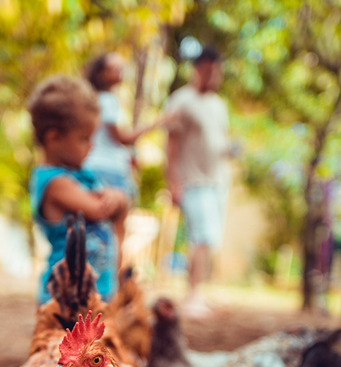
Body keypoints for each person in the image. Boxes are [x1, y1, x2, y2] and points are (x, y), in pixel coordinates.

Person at [26, 75, 129, 304]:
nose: (91, 146)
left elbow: (116, 209)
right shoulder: (53, 182)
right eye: (84, 139)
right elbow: (99, 209)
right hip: (65, 298)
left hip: (99, 290)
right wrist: (118, 199)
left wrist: (119, 199)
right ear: (53, 138)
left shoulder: (85, 176)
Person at [165, 45, 230, 318]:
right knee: (200, 237)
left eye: (217, 71)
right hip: (192, 180)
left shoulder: (218, 105)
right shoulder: (182, 101)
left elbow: (219, 142)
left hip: (216, 182)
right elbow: (171, 144)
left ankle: (198, 292)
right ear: (198, 69)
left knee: (208, 239)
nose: (214, 76)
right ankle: (192, 296)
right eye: (209, 70)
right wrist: (173, 182)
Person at [82, 52, 158, 207]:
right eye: (113, 69)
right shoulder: (107, 100)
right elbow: (121, 138)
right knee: (115, 213)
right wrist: (156, 123)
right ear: (101, 73)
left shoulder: (95, 98)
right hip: (109, 168)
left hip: (94, 165)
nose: (119, 73)